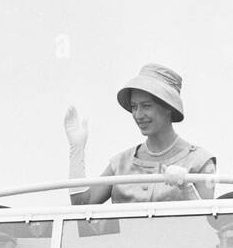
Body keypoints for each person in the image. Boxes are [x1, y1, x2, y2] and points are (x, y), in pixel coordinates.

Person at [65, 63, 215, 205]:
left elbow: (207, 225)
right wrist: (76, 151)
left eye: (146, 106)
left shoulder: (200, 161)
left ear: (169, 107)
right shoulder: (121, 163)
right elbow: (82, 205)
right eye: (134, 107)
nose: (138, 114)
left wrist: (187, 188)